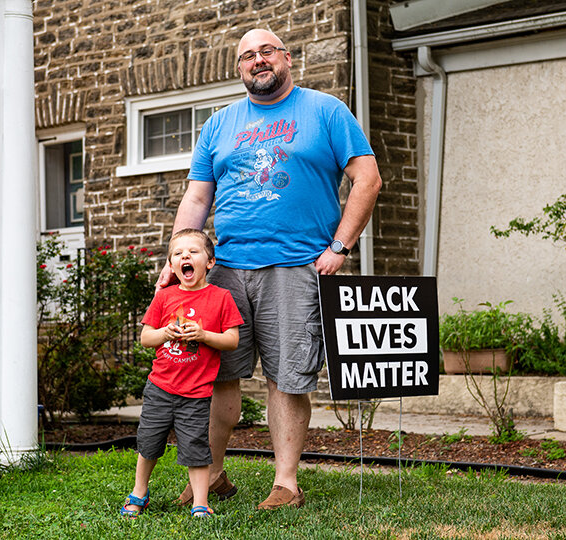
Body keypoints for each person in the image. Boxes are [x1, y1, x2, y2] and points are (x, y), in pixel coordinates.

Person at [157, 28, 382, 509]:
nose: (258, 61)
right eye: (247, 56)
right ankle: (212, 475)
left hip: (297, 266)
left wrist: (340, 245)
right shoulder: (219, 124)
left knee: (286, 376)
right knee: (214, 374)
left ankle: (286, 484)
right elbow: (198, 196)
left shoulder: (325, 110)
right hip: (227, 269)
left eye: (266, 52)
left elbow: (368, 178)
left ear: (287, 58)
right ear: (239, 69)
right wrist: (176, 256)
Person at [121, 228, 243, 519]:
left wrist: (203, 335)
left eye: (193, 252)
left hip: (197, 392)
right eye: (178, 253)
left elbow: (232, 340)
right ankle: (139, 492)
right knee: (149, 442)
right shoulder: (164, 297)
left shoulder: (221, 297)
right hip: (160, 387)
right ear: (172, 265)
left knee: (196, 447)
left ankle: (200, 503)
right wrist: (165, 332)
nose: (185, 256)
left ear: (210, 262)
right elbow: (146, 338)